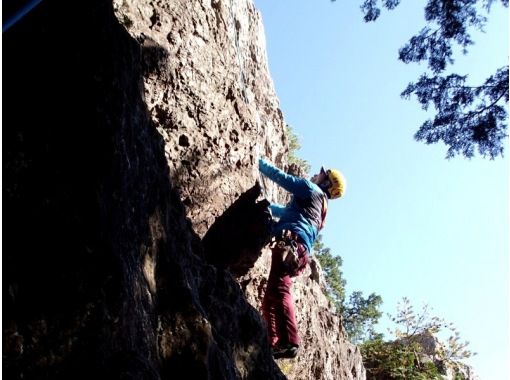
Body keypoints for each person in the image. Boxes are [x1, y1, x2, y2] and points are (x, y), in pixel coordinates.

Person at [258, 157, 346, 359]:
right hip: (299, 251)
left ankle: (289, 341)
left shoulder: (310, 190)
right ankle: (272, 343)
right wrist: (265, 206)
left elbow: (281, 178)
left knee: (279, 291)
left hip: (291, 243)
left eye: (322, 174)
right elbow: (284, 212)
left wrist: (256, 161)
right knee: (271, 296)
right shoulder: (320, 207)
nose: (316, 173)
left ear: (326, 182)